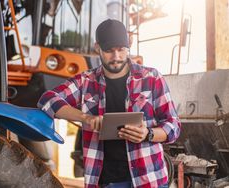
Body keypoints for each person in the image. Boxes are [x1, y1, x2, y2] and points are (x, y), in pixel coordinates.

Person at [38, 19, 181, 188]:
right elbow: (47, 100)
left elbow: (173, 126)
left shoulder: (151, 78)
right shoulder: (85, 82)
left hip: (150, 180)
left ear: (129, 45)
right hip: (107, 182)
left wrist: (148, 134)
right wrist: (85, 118)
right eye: (108, 51)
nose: (116, 57)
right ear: (97, 47)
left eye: (121, 49)